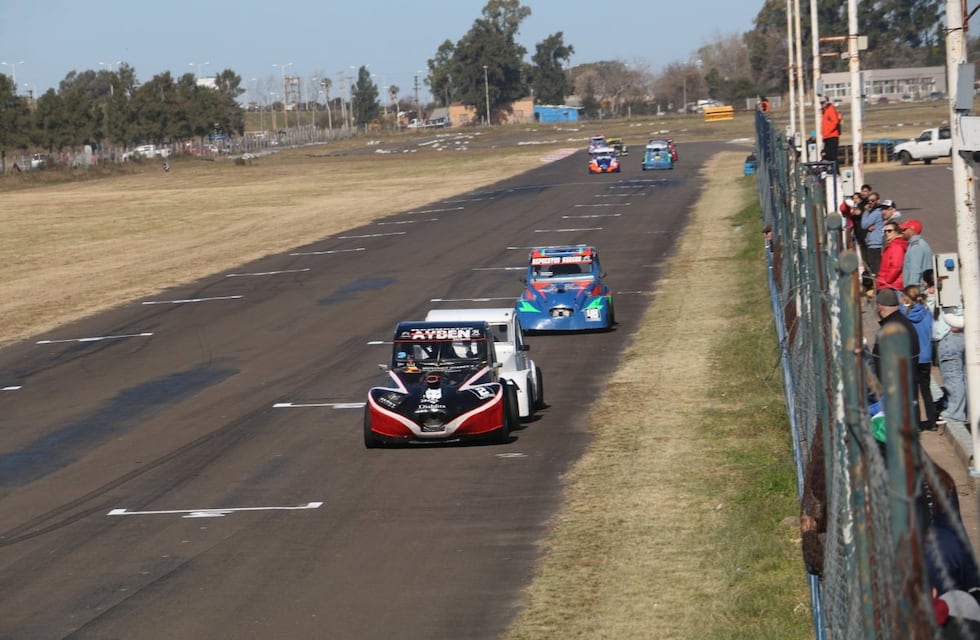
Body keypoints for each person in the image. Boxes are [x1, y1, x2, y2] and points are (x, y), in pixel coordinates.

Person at [927, 271, 968, 428]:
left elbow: (934, 314)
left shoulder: (947, 292)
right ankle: (961, 409)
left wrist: (930, 298)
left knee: (953, 377)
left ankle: (955, 413)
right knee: (961, 376)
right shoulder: (960, 289)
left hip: (948, 338)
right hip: (957, 337)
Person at [903, 284, 938, 430]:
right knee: (926, 390)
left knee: (912, 392)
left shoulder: (904, 315)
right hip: (925, 357)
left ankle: (916, 424)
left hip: (911, 356)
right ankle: (932, 422)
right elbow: (932, 332)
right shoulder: (927, 313)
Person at [871, 287, 919, 380]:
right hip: (909, 385)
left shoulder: (888, 330)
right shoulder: (906, 323)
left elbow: (882, 362)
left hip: (895, 388)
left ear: (879, 307)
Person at [861, 192, 884, 293]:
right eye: (869, 201)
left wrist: (866, 212)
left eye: (873, 201)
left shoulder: (875, 213)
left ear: (878, 201)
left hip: (875, 244)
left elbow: (864, 224)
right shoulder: (876, 213)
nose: (870, 203)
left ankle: (877, 290)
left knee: (875, 270)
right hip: (873, 243)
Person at [876, 221, 908, 291]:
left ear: (896, 232)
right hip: (889, 284)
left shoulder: (896, 245)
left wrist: (886, 280)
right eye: (885, 231)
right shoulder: (892, 244)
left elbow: (896, 266)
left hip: (893, 285)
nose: (887, 233)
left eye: (889, 231)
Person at [901, 219, 934, 288]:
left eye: (904, 230)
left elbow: (915, 271)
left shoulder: (916, 247)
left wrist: (911, 290)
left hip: (917, 290)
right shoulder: (919, 244)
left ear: (912, 231)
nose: (902, 232)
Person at [820, 95, 842, 167]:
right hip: (827, 137)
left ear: (826, 102)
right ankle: (831, 172)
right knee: (826, 156)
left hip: (832, 136)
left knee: (832, 157)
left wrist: (827, 132)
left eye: (823, 102)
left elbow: (835, 122)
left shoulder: (830, 109)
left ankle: (836, 173)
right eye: (821, 103)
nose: (822, 104)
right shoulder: (824, 111)